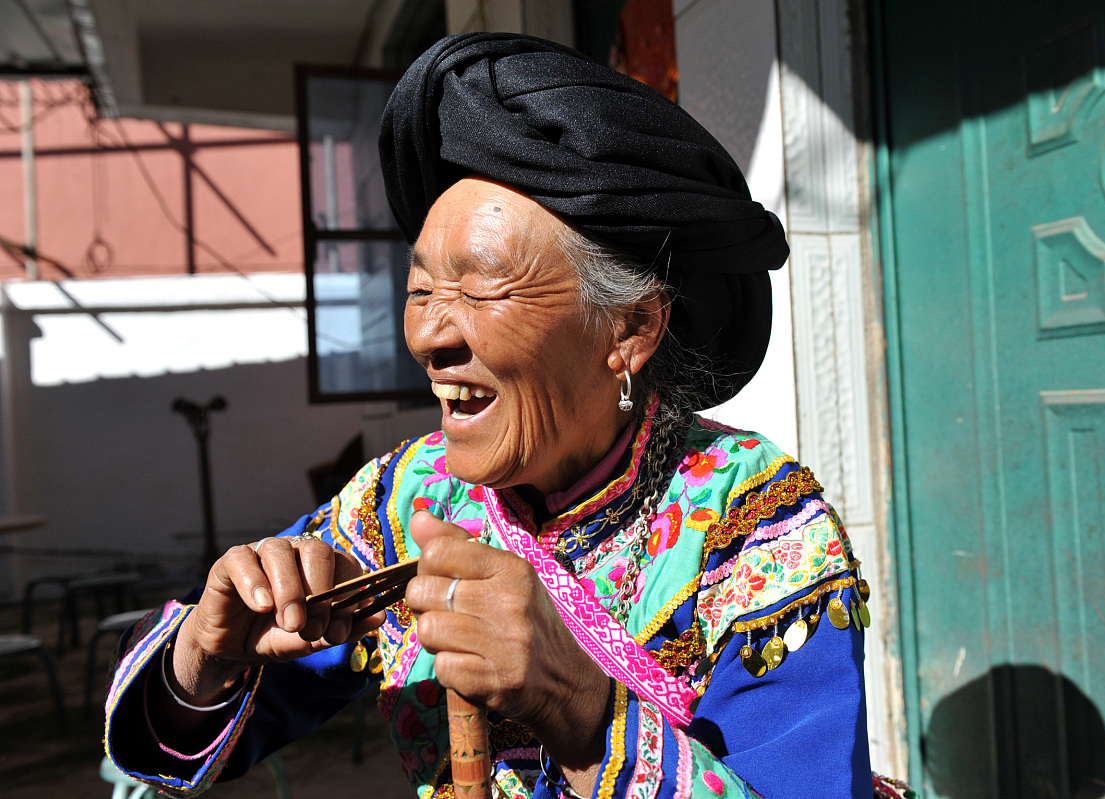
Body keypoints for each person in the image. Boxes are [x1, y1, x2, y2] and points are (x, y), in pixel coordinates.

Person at [105, 33, 884, 799]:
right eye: (420, 290)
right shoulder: (402, 501)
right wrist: (204, 656)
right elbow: (183, 728)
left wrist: (581, 707)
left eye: (481, 288)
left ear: (630, 329)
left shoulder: (753, 522)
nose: (428, 336)